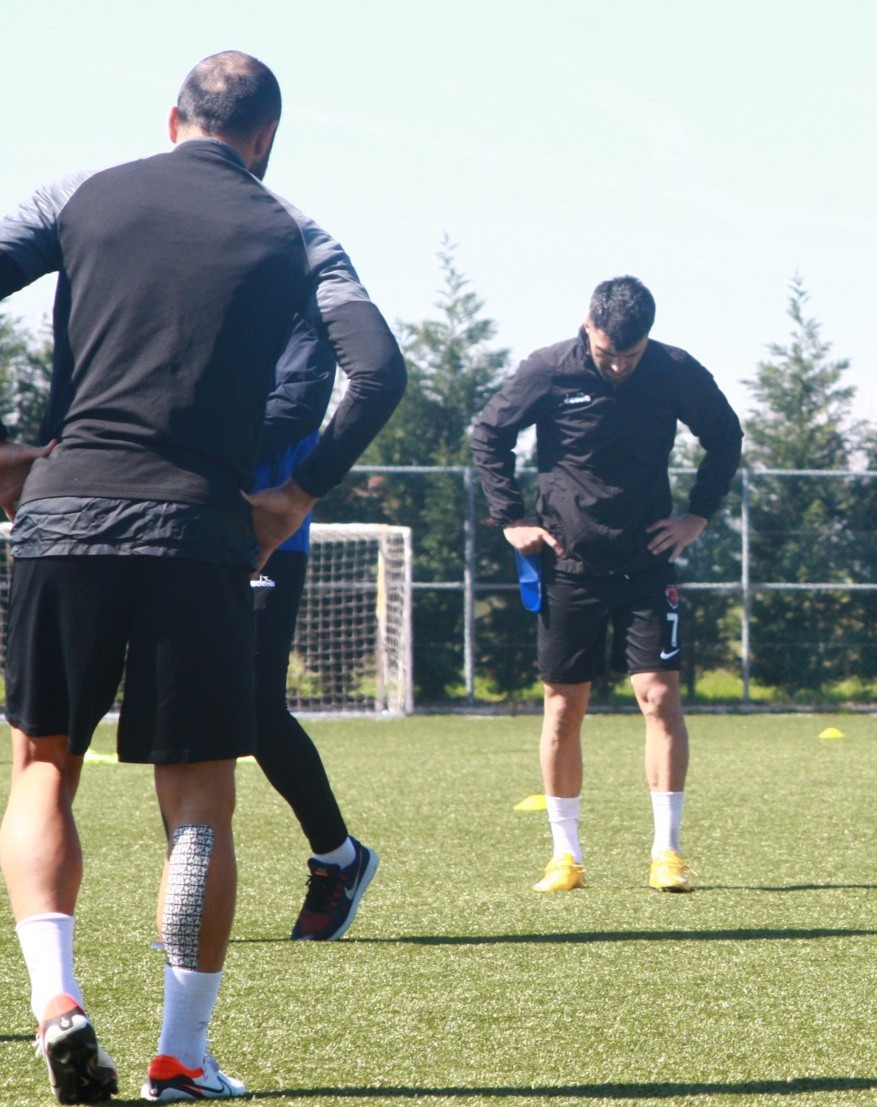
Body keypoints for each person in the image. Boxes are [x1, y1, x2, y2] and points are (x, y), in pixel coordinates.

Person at [0, 51, 405, 1103]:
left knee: (44, 766)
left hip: (63, 512)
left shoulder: (79, 194)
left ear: (171, 118)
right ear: (265, 137)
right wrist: (298, 493)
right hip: (200, 531)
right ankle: (181, 1058)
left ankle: (58, 1001)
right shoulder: (294, 230)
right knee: (198, 811)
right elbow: (379, 369)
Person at [471, 277, 741, 895]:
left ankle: (666, 854)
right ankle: (565, 855)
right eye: (606, 352)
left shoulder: (674, 370)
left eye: (631, 353)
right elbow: (490, 433)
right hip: (568, 565)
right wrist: (512, 518)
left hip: (647, 563)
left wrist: (698, 515)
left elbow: (725, 436)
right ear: (587, 325)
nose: (618, 365)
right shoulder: (547, 370)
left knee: (658, 698)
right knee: (564, 708)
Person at [251, 322, 379, 941]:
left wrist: (193, 436)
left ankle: (338, 856)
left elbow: (297, 402)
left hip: (267, 528)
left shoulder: (298, 292)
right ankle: (187, 894)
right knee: (178, 711)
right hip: (172, 514)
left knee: (255, 710)